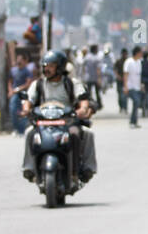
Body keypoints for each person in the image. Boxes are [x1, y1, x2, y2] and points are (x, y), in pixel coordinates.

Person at [20, 50, 96, 182]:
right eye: (45, 66)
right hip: (44, 122)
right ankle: (30, 168)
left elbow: (83, 99)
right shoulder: (38, 84)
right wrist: (26, 109)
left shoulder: (71, 83)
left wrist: (83, 109)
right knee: (29, 133)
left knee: (81, 134)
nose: (47, 69)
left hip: (66, 122)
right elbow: (29, 100)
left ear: (60, 66)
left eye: (51, 66)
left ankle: (79, 171)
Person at [8, 48, 36, 134]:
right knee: (13, 110)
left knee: (24, 111)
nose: (19, 61)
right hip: (14, 94)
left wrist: (17, 90)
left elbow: (28, 83)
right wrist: (10, 90)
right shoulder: (14, 70)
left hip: (23, 94)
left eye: (21, 60)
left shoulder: (27, 71)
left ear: (25, 61)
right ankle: (16, 128)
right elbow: (10, 81)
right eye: (18, 59)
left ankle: (23, 129)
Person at [124, 46, 144, 127]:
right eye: (140, 52)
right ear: (137, 53)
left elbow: (139, 75)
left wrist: (141, 85)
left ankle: (135, 122)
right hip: (130, 86)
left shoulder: (139, 62)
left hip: (137, 87)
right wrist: (125, 86)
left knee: (137, 103)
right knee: (136, 102)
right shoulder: (128, 62)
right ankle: (132, 121)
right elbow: (125, 74)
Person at [83, 45, 104, 109]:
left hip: (88, 77)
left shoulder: (86, 57)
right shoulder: (97, 58)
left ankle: (89, 104)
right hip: (95, 78)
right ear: (95, 50)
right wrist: (99, 78)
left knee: (89, 92)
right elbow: (98, 69)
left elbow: (84, 68)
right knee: (97, 92)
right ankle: (99, 104)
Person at [114, 48, 129, 113]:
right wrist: (118, 76)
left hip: (126, 81)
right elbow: (115, 69)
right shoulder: (118, 61)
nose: (125, 55)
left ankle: (125, 108)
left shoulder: (128, 61)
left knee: (125, 95)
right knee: (120, 95)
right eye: (124, 54)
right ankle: (121, 107)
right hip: (119, 80)